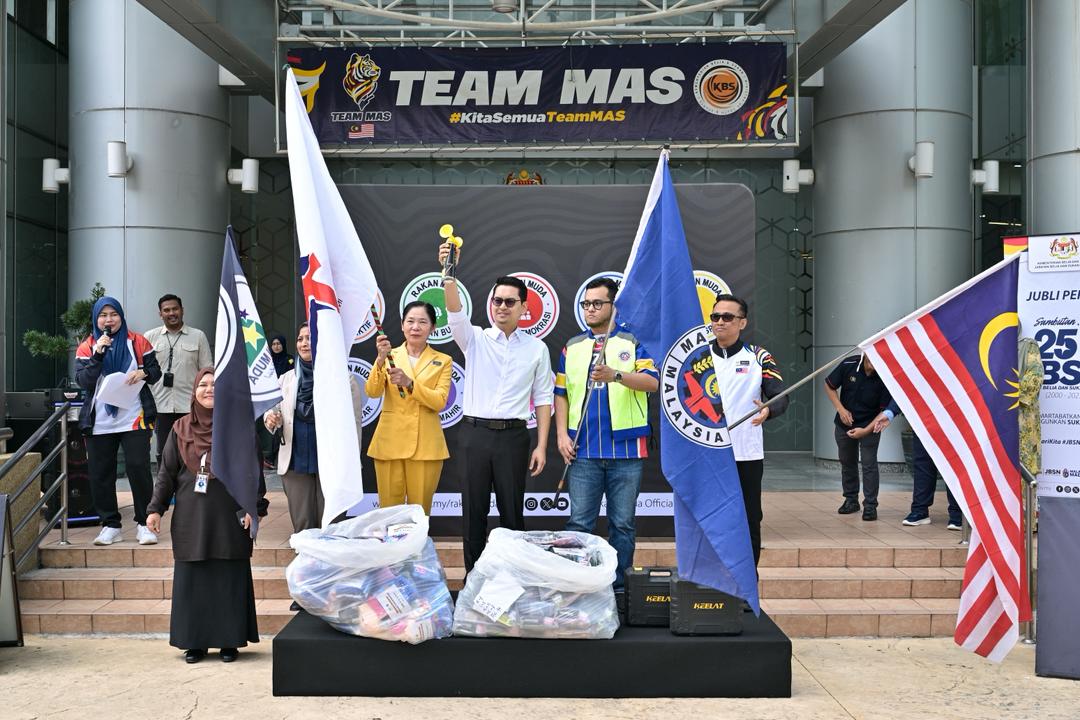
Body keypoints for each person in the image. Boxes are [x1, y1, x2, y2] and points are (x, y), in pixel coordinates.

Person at [439, 242, 554, 572]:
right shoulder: (474, 338)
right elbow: (455, 312)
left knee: (512, 514)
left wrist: (541, 446)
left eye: (509, 301)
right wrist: (448, 273)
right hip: (474, 435)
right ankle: (473, 581)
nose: (502, 306)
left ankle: (513, 580)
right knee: (473, 513)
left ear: (523, 307)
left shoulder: (536, 349)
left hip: (514, 438)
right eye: (497, 300)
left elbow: (543, 398)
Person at [146, 368, 260, 663]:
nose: (209, 390)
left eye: (215, 385)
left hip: (230, 515)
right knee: (193, 579)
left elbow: (253, 470)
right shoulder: (180, 428)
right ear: (194, 391)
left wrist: (254, 507)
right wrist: (155, 509)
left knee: (228, 576)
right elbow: (166, 473)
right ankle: (194, 642)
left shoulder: (237, 426)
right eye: (203, 385)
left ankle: (229, 641)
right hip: (191, 517)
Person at [554, 277, 658, 599]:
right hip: (582, 450)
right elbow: (561, 394)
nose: (590, 309)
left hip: (626, 451)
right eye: (586, 303)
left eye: (597, 303)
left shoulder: (633, 341)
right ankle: (577, 589)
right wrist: (561, 434)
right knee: (579, 525)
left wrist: (616, 375)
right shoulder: (572, 346)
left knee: (622, 526)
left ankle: (620, 590)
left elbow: (652, 383)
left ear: (614, 306)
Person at [708, 293, 789, 566]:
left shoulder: (758, 356)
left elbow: (780, 396)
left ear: (742, 323)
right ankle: (709, 579)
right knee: (709, 517)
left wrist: (768, 410)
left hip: (746, 453)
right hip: (707, 453)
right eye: (715, 316)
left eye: (727, 317)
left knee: (749, 518)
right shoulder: (698, 358)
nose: (720, 322)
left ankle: (748, 580)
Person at [76, 296, 163, 546]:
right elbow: (84, 381)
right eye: (103, 315)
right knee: (101, 473)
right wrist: (97, 354)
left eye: (113, 314)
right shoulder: (87, 346)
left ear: (121, 317)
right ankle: (110, 525)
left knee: (138, 467)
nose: (108, 320)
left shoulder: (138, 341)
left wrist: (143, 372)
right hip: (100, 421)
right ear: (96, 319)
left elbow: (155, 372)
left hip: (134, 417)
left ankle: (144, 523)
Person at [263, 322, 365, 532]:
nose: (304, 343)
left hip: (331, 461)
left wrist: (351, 462)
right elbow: (272, 411)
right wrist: (271, 419)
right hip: (295, 459)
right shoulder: (285, 379)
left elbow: (354, 422)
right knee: (303, 526)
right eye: (300, 339)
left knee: (331, 525)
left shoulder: (342, 379)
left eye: (310, 338)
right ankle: (306, 553)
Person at [365, 301, 452, 514]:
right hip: (389, 442)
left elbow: (439, 401)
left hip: (425, 445)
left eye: (423, 322)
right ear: (402, 325)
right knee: (388, 513)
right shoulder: (389, 356)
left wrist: (410, 384)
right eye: (410, 321)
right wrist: (380, 359)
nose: (415, 327)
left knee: (419, 512)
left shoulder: (443, 360)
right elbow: (372, 391)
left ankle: (418, 539)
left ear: (433, 328)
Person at [870, 403, 963, 530]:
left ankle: (957, 514)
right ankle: (920, 511)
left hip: (955, 417)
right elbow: (907, 390)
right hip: (924, 417)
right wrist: (890, 412)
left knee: (954, 465)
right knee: (923, 464)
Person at [824, 353, 892, 521]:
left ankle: (870, 505)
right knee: (847, 461)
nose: (874, 363)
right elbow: (829, 385)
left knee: (869, 464)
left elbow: (884, 411)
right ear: (866, 354)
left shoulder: (885, 374)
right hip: (844, 424)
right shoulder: (849, 363)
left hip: (871, 424)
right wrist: (841, 409)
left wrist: (865, 430)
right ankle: (851, 500)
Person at [144, 294, 212, 460]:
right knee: (165, 452)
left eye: (175, 309)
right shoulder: (150, 337)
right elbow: (143, 371)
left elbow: (207, 371)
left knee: (192, 452)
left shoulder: (198, 336)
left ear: (182, 310)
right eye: (166, 310)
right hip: (160, 405)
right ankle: (164, 478)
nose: (171, 313)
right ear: (160, 314)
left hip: (190, 406)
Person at [259, 334, 294, 468]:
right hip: (270, 396)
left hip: (286, 397)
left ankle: (280, 456)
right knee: (271, 423)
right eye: (273, 344)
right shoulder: (267, 361)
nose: (276, 346)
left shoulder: (290, 360)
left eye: (279, 344)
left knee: (285, 426)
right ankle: (269, 457)